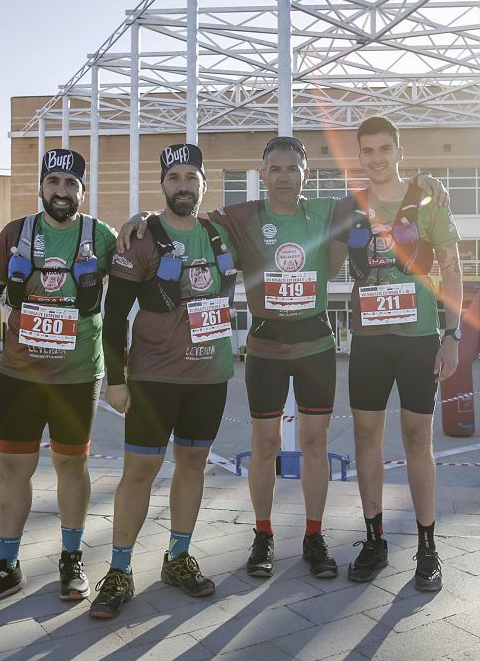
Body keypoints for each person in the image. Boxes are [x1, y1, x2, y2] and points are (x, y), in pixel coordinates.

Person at [118, 136, 447, 580]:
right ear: (262, 174)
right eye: (274, 169)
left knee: (315, 444)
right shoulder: (243, 215)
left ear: (305, 174)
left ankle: (314, 536)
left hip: (315, 344)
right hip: (266, 346)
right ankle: (263, 536)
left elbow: (383, 191)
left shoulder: (329, 211)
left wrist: (424, 182)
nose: (283, 177)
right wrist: (144, 217)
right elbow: (184, 217)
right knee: (265, 446)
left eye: (292, 168)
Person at [0, 149, 116, 610]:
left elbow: (135, 275)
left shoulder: (100, 236)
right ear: (42, 186)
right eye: (54, 183)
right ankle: (6, 566)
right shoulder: (16, 233)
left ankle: (71, 558)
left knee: (72, 466)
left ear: (82, 192)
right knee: (13, 469)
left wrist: (143, 218)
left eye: (71, 185)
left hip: (76, 374)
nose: (61, 192)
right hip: (20, 374)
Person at [90, 144, 238, 619]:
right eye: (174, 177)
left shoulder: (219, 233)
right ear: (162, 185)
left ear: (203, 185)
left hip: (209, 374)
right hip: (153, 376)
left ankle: (177, 558)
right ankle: (118, 570)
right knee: (140, 471)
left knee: (193, 463)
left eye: (191, 178)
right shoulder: (142, 236)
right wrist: (116, 380)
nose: (183, 186)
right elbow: (114, 317)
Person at [335, 116, 460, 592]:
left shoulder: (428, 200)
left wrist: (452, 335)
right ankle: (374, 540)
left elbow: (452, 269)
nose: (377, 158)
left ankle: (428, 548)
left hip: (418, 339)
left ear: (399, 152)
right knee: (366, 438)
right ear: (360, 157)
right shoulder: (350, 207)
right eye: (367, 151)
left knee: (416, 441)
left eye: (384, 148)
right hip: (369, 341)